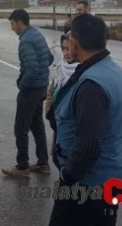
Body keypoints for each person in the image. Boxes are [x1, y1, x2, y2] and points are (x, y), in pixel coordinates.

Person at [49, 14, 122, 226]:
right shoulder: (110, 70)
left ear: (74, 42)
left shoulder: (92, 85)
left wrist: (67, 178)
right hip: (113, 171)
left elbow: (89, 146)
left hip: (91, 182)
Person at [3, 9, 53, 178]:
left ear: (19, 22)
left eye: (12, 24)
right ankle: (43, 163)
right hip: (41, 87)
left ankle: (22, 166)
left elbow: (31, 68)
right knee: (37, 125)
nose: (11, 28)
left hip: (31, 90)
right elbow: (49, 58)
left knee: (21, 128)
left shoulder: (25, 41)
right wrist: (42, 74)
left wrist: (22, 85)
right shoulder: (37, 34)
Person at [45, 34, 79, 169]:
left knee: (70, 161)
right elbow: (51, 92)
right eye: (63, 48)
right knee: (56, 157)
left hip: (73, 127)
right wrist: (49, 113)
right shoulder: (60, 67)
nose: (66, 53)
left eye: (68, 48)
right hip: (58, 122)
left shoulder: (83, 71)